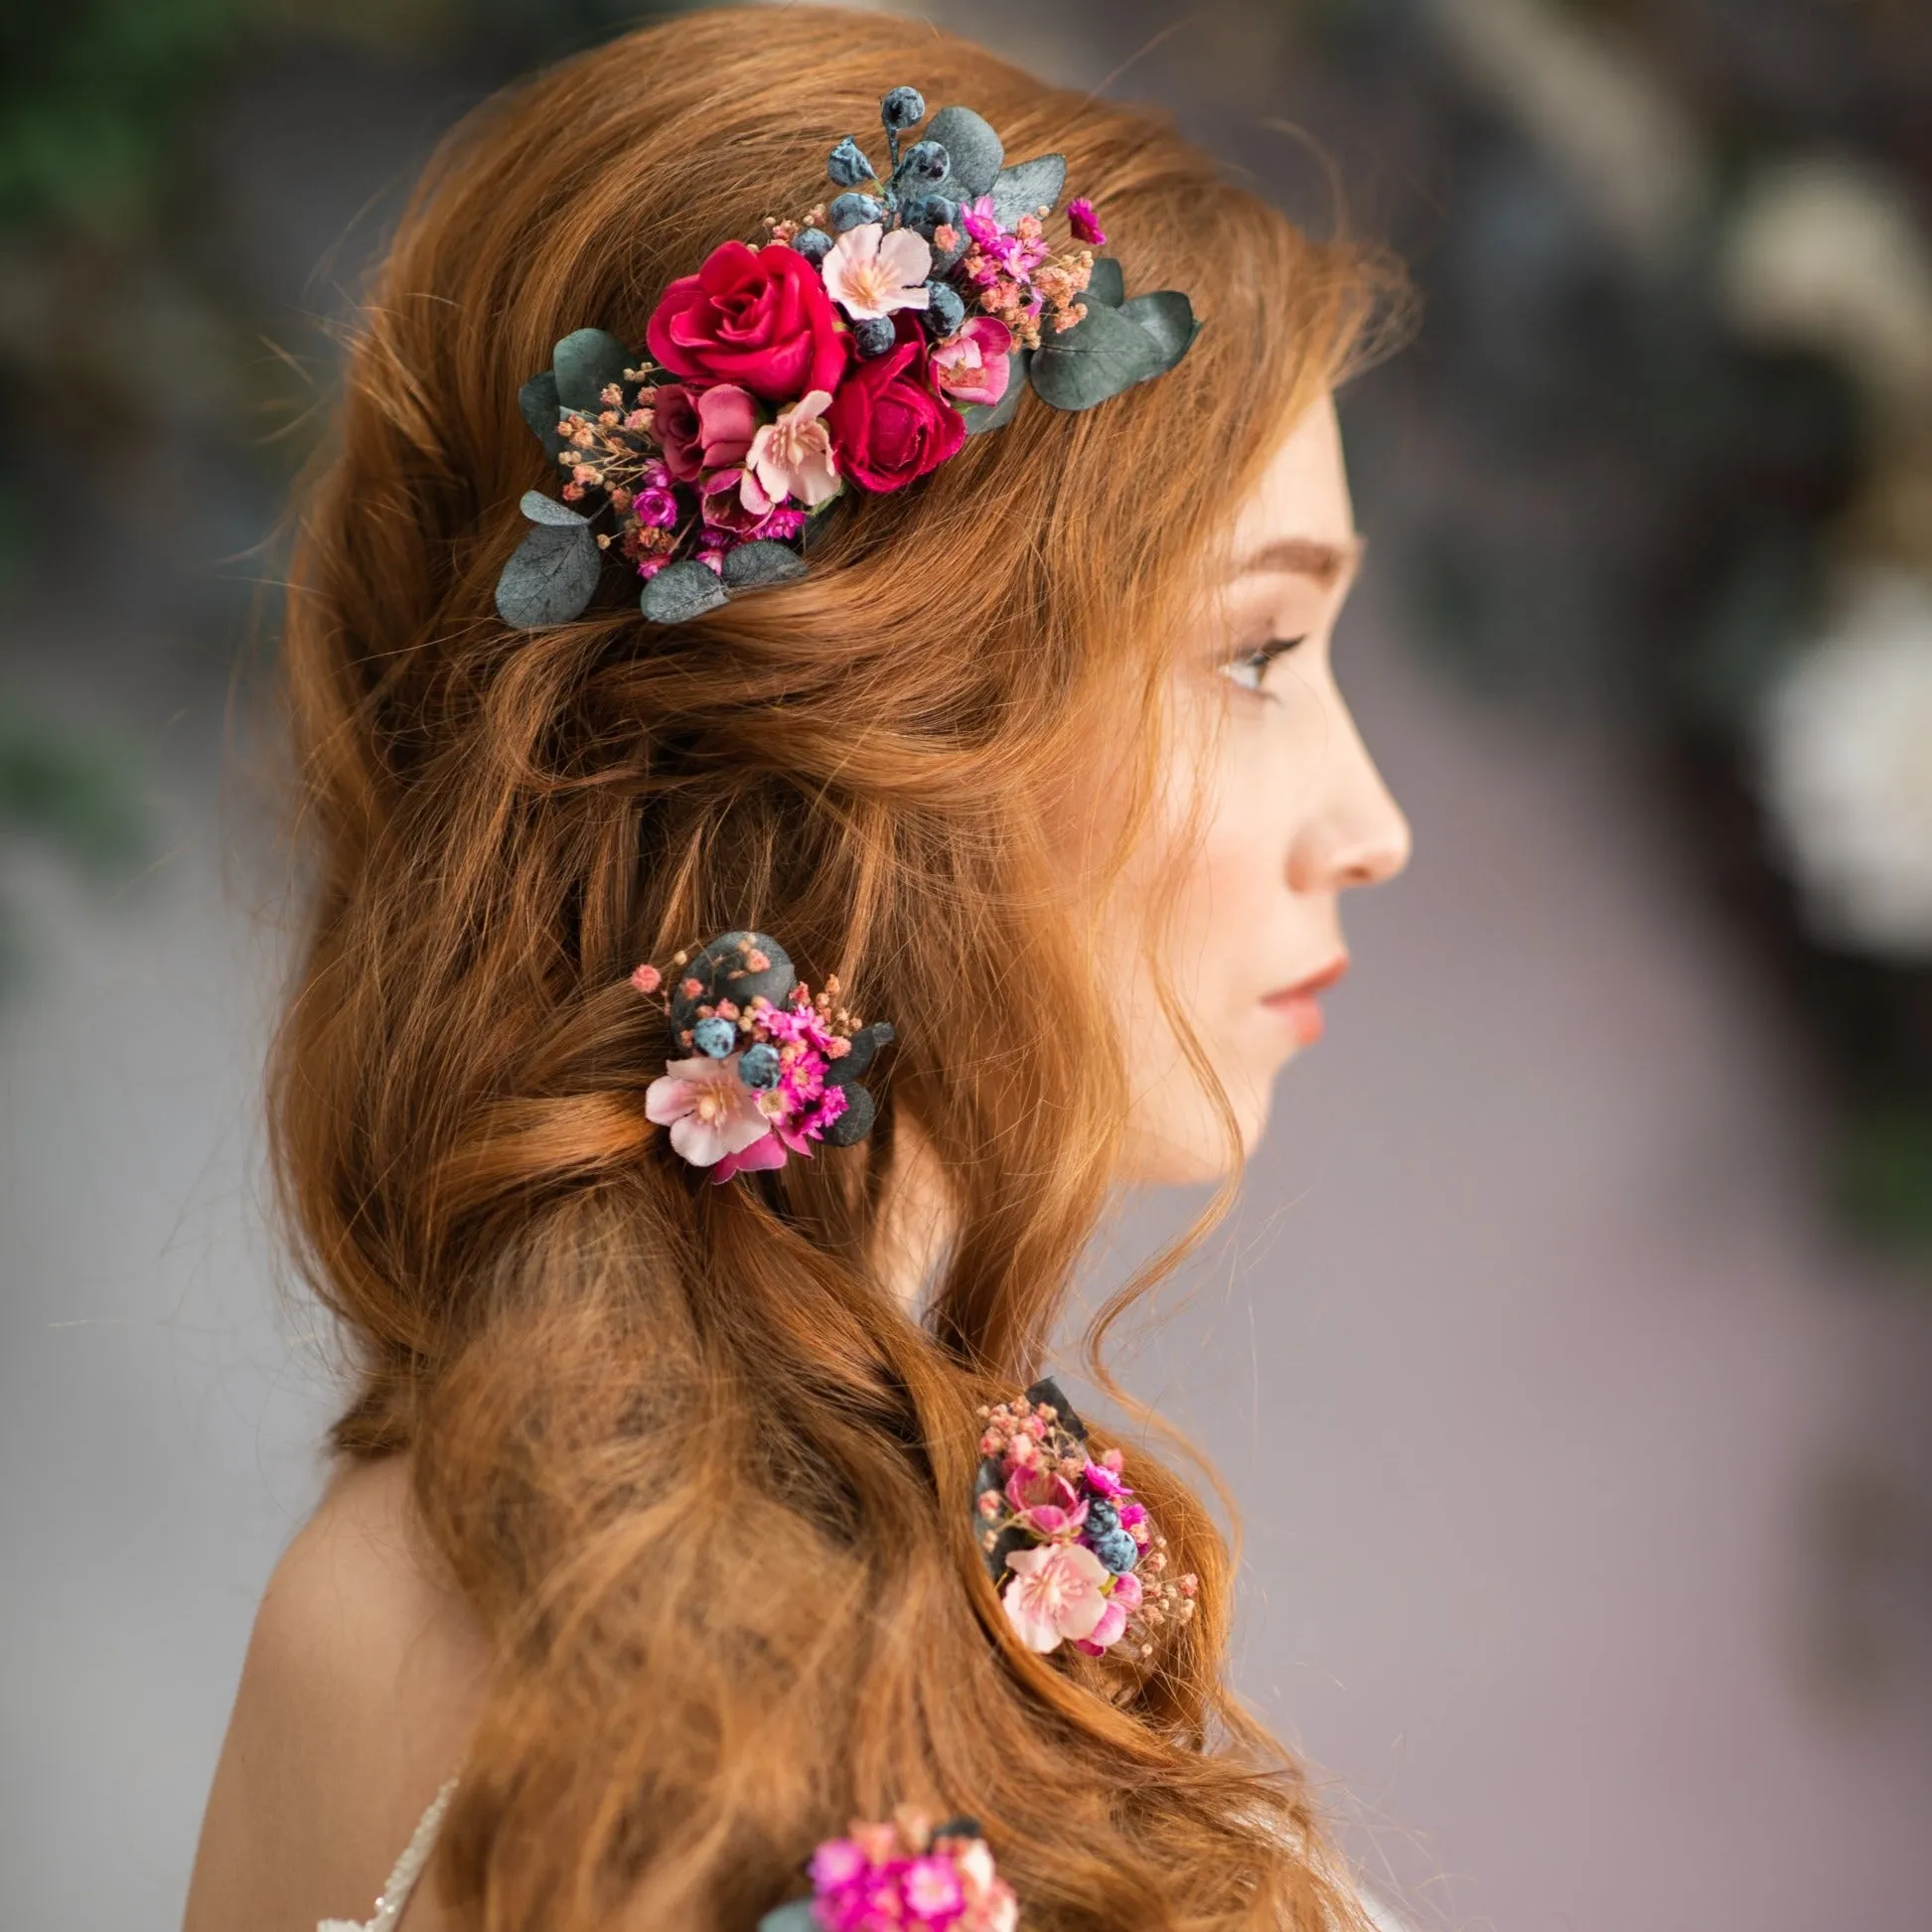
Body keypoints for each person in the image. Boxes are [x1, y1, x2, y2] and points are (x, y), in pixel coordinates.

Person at [182, 9, 1411, 1930]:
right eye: (1255, 655)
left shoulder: (388, 1587)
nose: (1373, 821)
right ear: (875, 716)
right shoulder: (582, 1674)